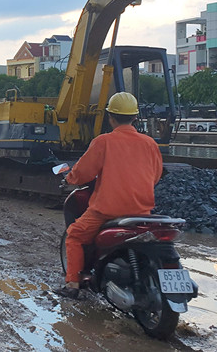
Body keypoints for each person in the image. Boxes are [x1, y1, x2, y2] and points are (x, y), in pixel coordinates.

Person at [55, 92, 163, 299]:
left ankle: (73, 285)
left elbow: (83, 172)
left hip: (107, 211)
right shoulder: (150, 144)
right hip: (142, 212)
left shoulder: (103, 141)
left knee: (75, 235)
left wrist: (69, 179)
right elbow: (155, 176)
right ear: (134, 117)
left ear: (110, 117)